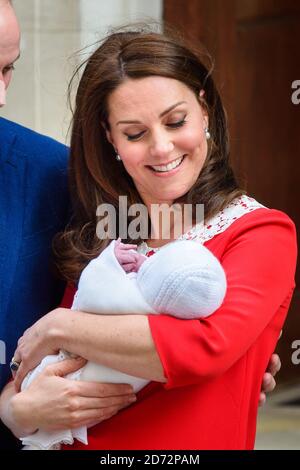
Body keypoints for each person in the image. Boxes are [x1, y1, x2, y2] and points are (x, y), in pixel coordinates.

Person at [0, 25, 295, 450]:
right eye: (135, 133)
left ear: (205, 111)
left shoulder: (260, 231)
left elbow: (206, 347)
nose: (161, 148)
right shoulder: (103, 230)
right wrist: (17, 411)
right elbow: (31, 368)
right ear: (110, 138)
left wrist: (61, 325)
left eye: (176, 121)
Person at [0, 0, 138, 449]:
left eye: (7, 70)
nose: (2, 97)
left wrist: (234, 359)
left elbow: (124, 302)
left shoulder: (51, 172)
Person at [20, 238, 227, 449]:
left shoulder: (131, 298)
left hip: (64, 378)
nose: (145, 260)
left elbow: (90, 290)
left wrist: (110, 258)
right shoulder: (172, 316)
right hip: (92, 408)